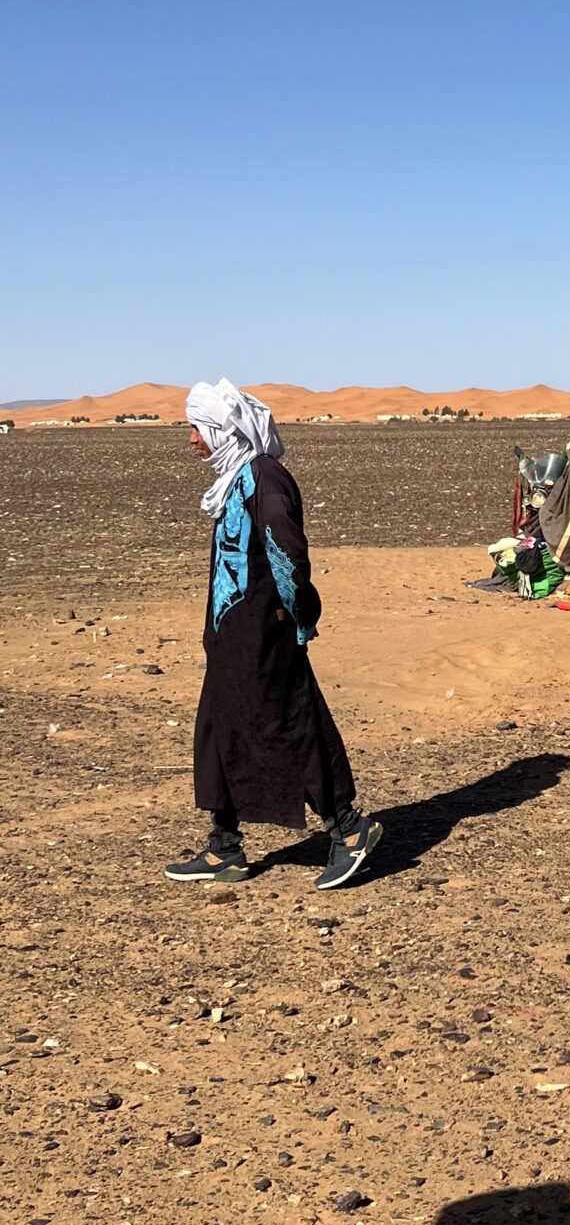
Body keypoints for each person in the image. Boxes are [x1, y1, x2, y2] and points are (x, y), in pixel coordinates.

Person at [165, 379, 382, 891]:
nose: (192, 438)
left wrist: (300, 617)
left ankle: (349, 829)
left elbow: (287, 555)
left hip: (265, 634)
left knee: (291, 724)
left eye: (196, 427)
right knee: (220, 730)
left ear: (220, 428)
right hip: (232, 637)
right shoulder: (235, 478)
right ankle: (224, 848)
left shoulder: (264, 476)